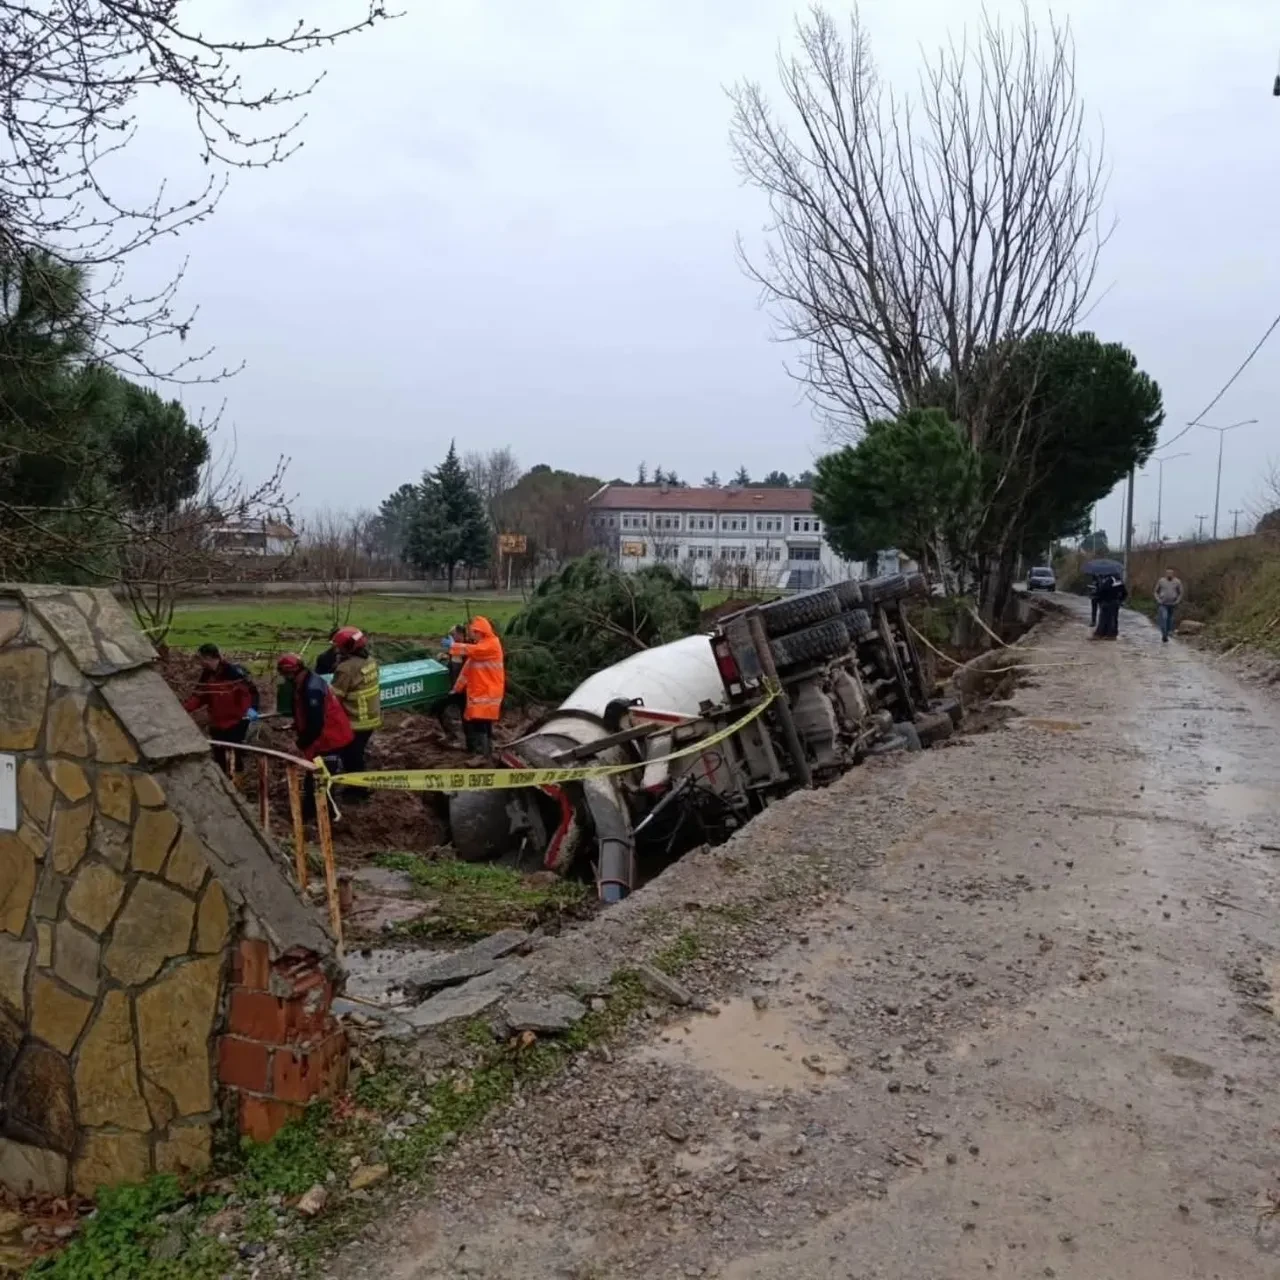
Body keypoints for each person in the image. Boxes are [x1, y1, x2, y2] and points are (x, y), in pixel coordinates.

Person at [277, 653, 354, 817]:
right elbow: (307, 714)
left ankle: (325, 817)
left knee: (322, 780)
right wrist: (297, 725)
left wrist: (300, 743)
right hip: (327, 735)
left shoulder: (311, 689)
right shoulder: (307, 681)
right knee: (314, 777)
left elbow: (316, 723)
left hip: (330, 738)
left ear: (291, 672)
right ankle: (311, 812)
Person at [182, 643, 259, 775]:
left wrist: (251, 708)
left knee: (235, 757)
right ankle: (225, 786)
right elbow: (200, 696)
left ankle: (236, 785)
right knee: (219, 758)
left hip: (236, 723)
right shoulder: (207, 675)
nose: (200, 663)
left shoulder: (233, 673)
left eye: (201, 659)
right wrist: (184, 710)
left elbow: (248, 693)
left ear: (210, 657)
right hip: (217, 724)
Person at [330, 626, 382, 791]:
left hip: (356, 721)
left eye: (338, 646)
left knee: (351, 757)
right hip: (371, 717)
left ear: (347, 647)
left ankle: (358, 791)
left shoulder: (346, 669)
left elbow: (334, 699)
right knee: (356, 753)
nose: (336, 649)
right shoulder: (370, 661)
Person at [449, 616, 505, 757]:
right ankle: (486, 751)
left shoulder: (491, 645)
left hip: (487, 693)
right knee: (482, 722)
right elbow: (466, 672)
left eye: (473, 633)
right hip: (481, 693)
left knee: (481, 723)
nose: (472, 636)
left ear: (480, 632)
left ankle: (483, 755)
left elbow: (472, 650)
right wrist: (456, 689)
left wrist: (453, 646)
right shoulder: (482, 646)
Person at [1092, 574, 1127, 640]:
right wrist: (1120, 600)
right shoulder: (1119, 581)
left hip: (1106, 602)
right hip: (1115, 603)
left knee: (1103, 619)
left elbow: (1102, 592)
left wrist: (1098, 598)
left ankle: (1100, 634)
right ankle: (1112, 634)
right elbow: (1125, 593)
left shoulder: (1107, 581)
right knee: (1113, 619)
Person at [1153, 568, 1184, 643]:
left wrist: (1177, 601)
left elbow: (1181, 592)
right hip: (1163, 603)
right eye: (1168, 573)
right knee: (1164, 617)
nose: (1169, 574)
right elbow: (1155, 592)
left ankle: (1167, 632)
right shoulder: (1161, 581)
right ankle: (1164, 635)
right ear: (1165, 574)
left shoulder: (1177, 582)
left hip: (1172, 604)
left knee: (1170, 619)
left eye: (1171, 573)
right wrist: (1158, 600)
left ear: (1173, 574)